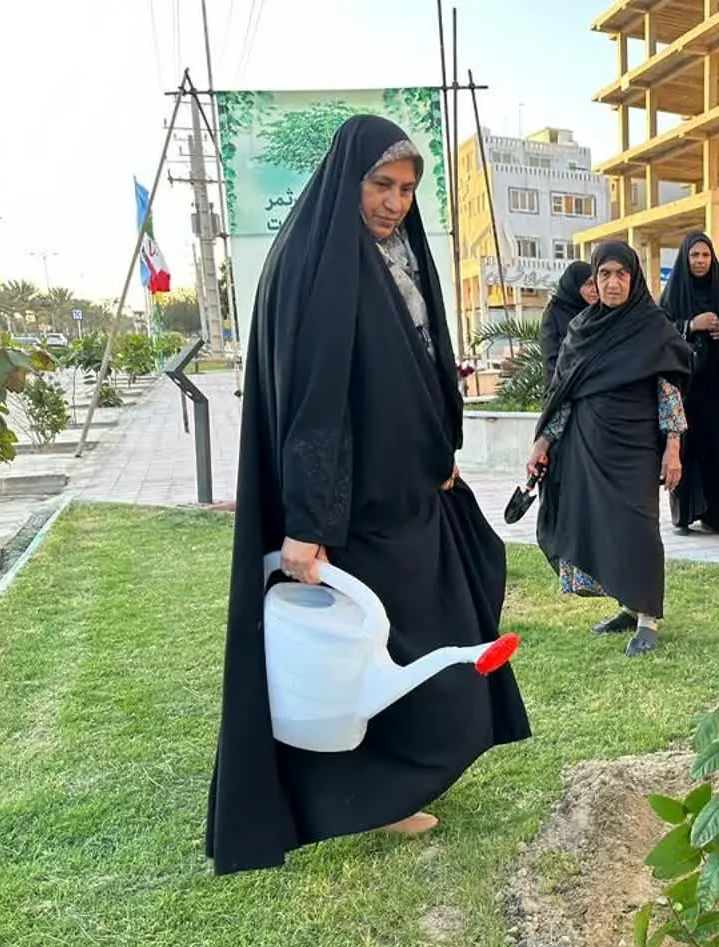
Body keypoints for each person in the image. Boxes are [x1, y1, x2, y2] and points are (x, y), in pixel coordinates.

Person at [207, 116, 530, 874]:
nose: (395, 202)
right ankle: (370, 793)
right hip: (353, 513)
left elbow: (419, 362)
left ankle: (386, 788)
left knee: (434, 626)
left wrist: (439, 449)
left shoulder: (391, 253)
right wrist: (308, 525)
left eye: (408, 189)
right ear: (348, 179)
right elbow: (315, 404)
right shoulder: (317, 263)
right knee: (372, 659)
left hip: (407, 496)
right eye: (382, 185)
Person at [527, 240, 694, 657]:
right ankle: (627, 605)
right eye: (605, 274)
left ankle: (648, 618)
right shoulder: (581, 329)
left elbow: (669, 391)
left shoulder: (652, 327)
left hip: (634, 447)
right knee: (603, 528)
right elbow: (563, 394)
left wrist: (673, 447)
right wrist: (543, 442)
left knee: (638, 528)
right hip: (587, 446)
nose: (613, 282)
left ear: (634, 278)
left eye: (622, 274)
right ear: (595, 279)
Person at [660, 232, 719, 535]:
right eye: (694, 255)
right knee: (685, 450)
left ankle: (714, 514)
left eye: (705, 255)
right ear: (685, 258)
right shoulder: (673, 295)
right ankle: (684, 515)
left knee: (716, 448)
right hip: (684, 391)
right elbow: (659, 331)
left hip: (717, 390)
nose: (700, 261)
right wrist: (690, 326)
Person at [539, 261, 597, 385]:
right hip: (565, 388)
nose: (595, 290)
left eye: (596, 283)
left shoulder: (598, 312)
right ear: (574, 286)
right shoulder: (554, 313)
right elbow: (551, 358)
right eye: (589, 284)